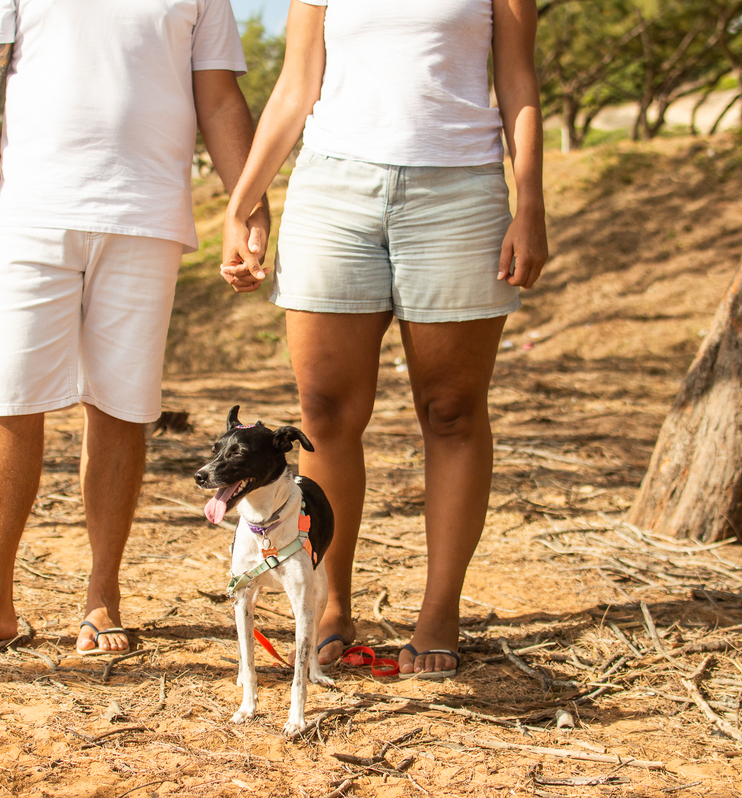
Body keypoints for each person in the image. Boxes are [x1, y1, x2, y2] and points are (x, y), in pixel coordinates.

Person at [0, 0, 270, 663]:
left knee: (120, 408)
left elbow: (221, 99)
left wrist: (248, 205)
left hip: (146, 217)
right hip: (30, 215)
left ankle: (102, 595)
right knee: (8, 402)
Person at [220, 0, 548, 677]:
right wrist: (243, 201)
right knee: (326, 413)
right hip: (334, 190)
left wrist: (531, 202)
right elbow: (296, 85)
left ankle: (439, 609)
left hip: (459, 192)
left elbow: (518, 81)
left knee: (452, 410)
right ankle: (330, 601)